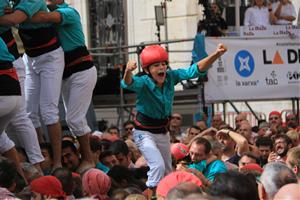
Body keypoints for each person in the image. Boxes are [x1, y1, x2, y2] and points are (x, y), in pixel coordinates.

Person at [121, 43, 227, 191]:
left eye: (163, 64)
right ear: (146, 70)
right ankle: (150, 195)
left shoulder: (171, 77)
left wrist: (216, 54)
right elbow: (128, 83)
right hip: (144, 133)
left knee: (168, 170)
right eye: (156, 65)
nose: (161, 68)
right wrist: (127, 71)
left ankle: (167, 194)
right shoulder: (143, 82)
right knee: (157, 165)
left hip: (162, 132)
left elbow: (194, 70)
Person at [30, 0, 97, 171]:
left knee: (74, 119)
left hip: (82, 71)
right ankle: (84, 157)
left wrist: (19, 13)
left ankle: (88, 159)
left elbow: (44, 16)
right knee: (73, 119)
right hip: (67, 75)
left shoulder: (69, 12)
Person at [0, 0, 65, 170]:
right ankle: (34, 165)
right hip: (28, 59)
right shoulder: (11, 2)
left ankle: (47, 163)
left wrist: (12, 14)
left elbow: (13, 20)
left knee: (46, 112)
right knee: (27, 115)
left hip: (40, 59)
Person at [0, 1, 44, 173]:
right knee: (6, 132)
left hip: (10, 65)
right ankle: (20, 174)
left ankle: (37, 166)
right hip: (11, 63)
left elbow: (13, 19)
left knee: (20, 118)